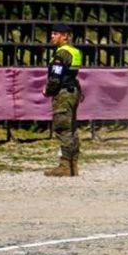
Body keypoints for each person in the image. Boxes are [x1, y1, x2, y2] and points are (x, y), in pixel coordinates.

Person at [43, 22, 82, 177]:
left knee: (63, 128)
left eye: (55, 34)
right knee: (72, 129)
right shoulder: (74, 51)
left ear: (65, 36)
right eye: (52, 33)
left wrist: (48, 90)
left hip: (64, 93)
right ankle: (73, 166)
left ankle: (65, 166)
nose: (52, 36)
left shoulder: (61, 54)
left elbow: (55, 77)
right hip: (73, 91)